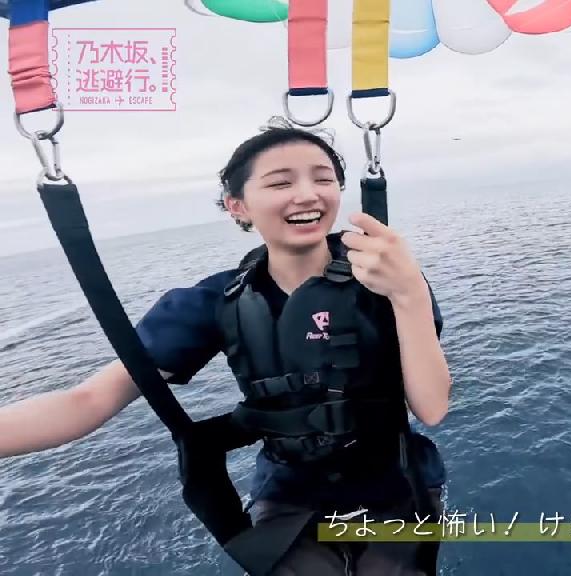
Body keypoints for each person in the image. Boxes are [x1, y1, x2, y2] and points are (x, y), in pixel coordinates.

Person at [0, 123, 452, 575]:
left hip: (399, 488)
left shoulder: (388, 280)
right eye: (280, 183)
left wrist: (408, 292)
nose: (307, 194)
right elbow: (89, 400)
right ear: (238, 205)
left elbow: (431, 408)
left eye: (323, 178)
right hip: (292, 499)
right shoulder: (215, 302)